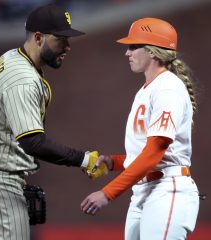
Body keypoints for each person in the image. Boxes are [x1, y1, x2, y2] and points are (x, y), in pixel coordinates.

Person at [0, 4, 106, 240]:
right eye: (61, 39)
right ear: (38, 38)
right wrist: (85, 159)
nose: (67, 46)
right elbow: (33, 142)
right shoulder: (23, 79)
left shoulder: (12, 57)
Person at [81, 18, 200, 240]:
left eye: (133, 46)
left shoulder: (168, 88)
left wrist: (108, 193)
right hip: (145, 190)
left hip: (167, 189)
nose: (128, 53)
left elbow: (155, 153)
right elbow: (146, 153)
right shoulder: (147, 89)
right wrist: (114, 162)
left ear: (153, 51)